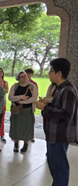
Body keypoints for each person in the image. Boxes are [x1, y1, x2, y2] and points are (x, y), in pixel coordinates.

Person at [36, 58, 78, 186]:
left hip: (60, 135)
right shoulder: (59, 88)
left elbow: (66, 114)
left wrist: (45, 108)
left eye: (51, 71)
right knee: (55, 167)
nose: (49, 74)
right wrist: (47, 104)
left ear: (59, 73)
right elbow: (58, 108)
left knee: (59, 168)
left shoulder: (68, 90)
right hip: (53, 134)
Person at [8, 71, 38, 153]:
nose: (25, 77)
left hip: (28, 111)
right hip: (17, 110)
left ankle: (25, 144)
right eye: (22, 77)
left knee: (27, 128)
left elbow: (34, 98)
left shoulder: (32, 87)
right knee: (16, 127)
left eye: (25, 75)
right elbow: (10, 97)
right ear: (18, 78)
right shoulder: (15, 86)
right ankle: (16, 144)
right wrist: (21, 97)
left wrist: (22, 102)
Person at [0, 67, 9, 143]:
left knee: (2, 120)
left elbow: (6, 91)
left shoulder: (5, 82)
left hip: (2, 104)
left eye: (1, 72)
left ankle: (1, 135)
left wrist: (0, 87)